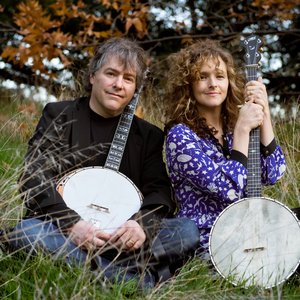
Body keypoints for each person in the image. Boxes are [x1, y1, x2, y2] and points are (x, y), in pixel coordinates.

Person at [6, 37, 199, 288]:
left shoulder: (148, 135)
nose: (119, 85)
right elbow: (33, 177)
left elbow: (159, 191)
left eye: (128, 79)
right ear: (92, 77)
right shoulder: (60, 115)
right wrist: (72, 224)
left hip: (123, 239)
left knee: (187, 230)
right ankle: (130, 279)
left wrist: (140, 225)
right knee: (27, 233)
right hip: (67, 233)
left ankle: (90, 269)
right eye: (111, 74)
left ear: (135, 89)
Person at [163, 39, 287, 258]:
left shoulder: (233, 127)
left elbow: (273, 174)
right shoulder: (180, 136)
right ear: (189, 85)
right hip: (209, 238)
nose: (213, 84)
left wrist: (264, 112)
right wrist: (242, 131)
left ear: (229, 82)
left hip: (249, 229)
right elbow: (227, 190)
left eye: (220, 76)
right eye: (203, 77)